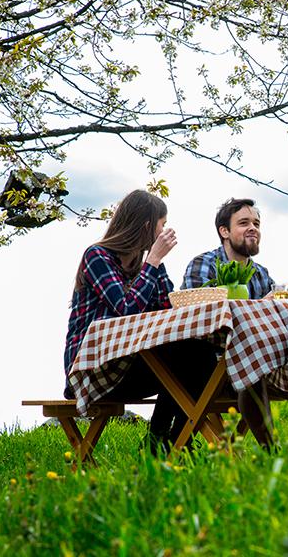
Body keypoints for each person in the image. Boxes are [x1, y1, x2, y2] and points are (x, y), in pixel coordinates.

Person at [63, 189, 215, 452]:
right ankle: (164, 443)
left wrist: (157, 267)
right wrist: (154, 261)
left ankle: (172, 442)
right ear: (146, 225)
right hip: (96, 369)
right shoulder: (97, 256)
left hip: (135, 361)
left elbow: (168, 310)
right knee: (187, 359)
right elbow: (126, 308)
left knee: (200, 354)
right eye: (162, 225)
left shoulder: (148, 265)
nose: (164, 232)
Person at [181, 197, 288, 448]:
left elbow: (275, 318)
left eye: (257, 223)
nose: (253, 228)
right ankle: (272, 449)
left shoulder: (261, 273)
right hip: (209, 363)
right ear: (224, 231)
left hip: (262, 359)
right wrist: (262, 304)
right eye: (244, 223)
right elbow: (194, 318)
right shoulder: (204, 264)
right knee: (251, 353)